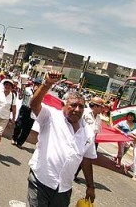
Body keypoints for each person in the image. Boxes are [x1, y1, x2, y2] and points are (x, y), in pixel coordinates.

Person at [28, 71, 96, 207]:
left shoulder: (88, 132)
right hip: (40, 181)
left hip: (63, 189)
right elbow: (34, 105)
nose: (77, 109)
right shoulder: (50, 117)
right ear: (63, 105)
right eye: (73, 105)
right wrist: (47, 84)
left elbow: (86, 159)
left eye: (81, 106)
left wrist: (90, 186)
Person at [11, 77, 42, 149]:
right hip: (24, 108)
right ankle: (14, 138)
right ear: (33, 83)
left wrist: (36, 93)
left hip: (33, 111)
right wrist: (21, 90)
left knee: (27, 128)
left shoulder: (40, 93)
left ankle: (20, 142)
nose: (36, 85)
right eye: (36, 83)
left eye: (38, 84)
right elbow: (20, 97)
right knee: (19, 124)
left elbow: (39, 102)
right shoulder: (27, 89)